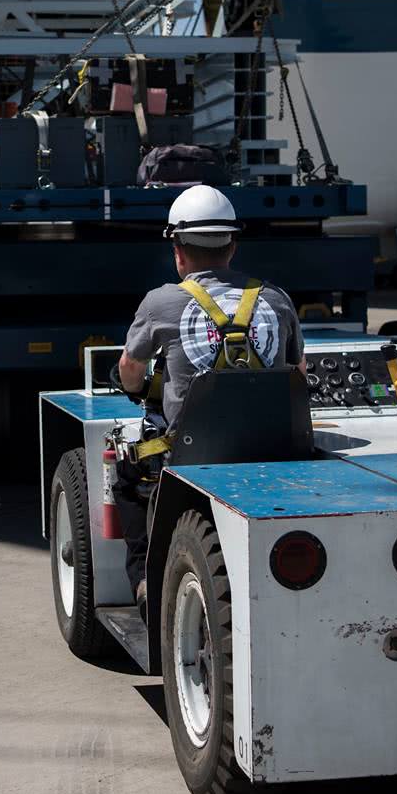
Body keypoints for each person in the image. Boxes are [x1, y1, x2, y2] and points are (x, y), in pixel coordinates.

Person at [112, 184, 301, 604]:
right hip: (273, 447)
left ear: (177, 251)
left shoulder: (161, 302)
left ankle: (146, 581)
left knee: (127, 477)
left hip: (192, 452)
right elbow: (297, 372)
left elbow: (129, 368)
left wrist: (139, 389)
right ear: (232, 246)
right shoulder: (276, 298)